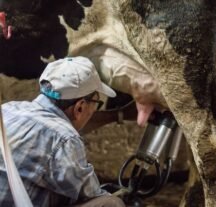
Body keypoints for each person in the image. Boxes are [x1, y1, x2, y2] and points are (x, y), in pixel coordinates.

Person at [0, 56, 125, 207]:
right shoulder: (65, 139)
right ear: (80, 107)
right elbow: (90, 194)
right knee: (111, 203)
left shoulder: (9, 109)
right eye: (96, 104)